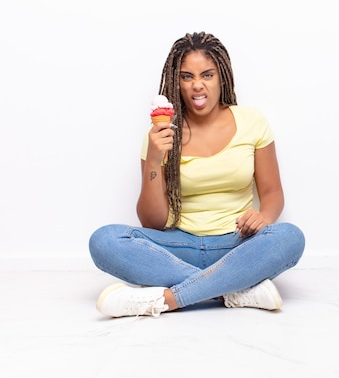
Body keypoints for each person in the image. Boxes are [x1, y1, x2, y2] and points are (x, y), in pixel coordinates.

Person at [89, 32, 305, 318]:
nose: (197, 85)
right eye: (187, 76)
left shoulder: (252, 121)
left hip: (236, 243)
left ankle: (169, 299)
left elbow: (273, 193)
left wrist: (263, 217)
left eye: (207, 75)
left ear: (222, 77)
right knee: (104, 240)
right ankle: (233, 289)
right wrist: (155, 159)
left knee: (290, 237)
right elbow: (151, 221)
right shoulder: (160, 136)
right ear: (176, 82)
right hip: (179, 246)